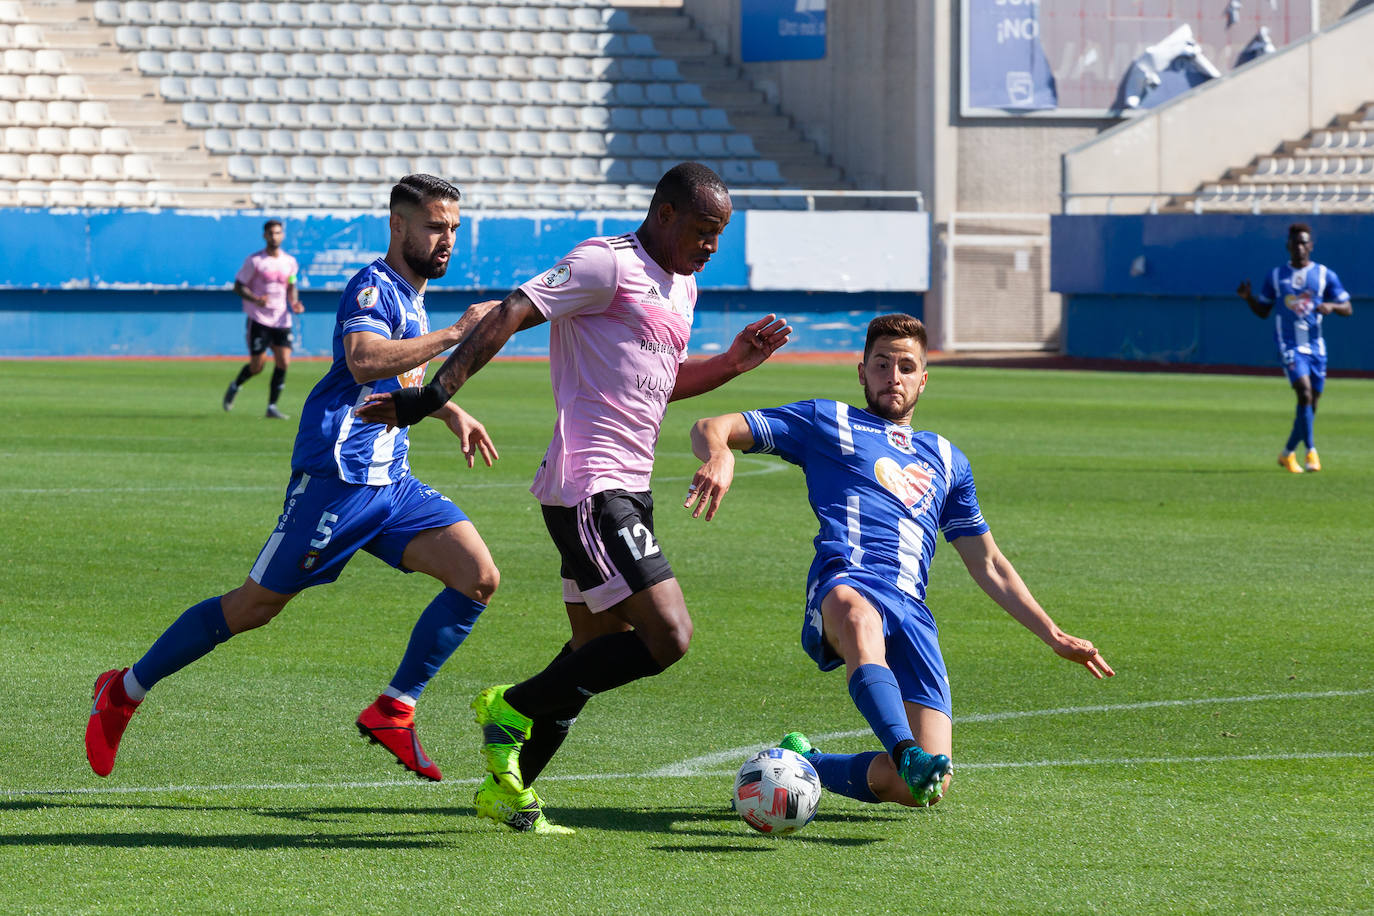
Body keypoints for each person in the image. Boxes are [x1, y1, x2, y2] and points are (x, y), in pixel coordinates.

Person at [354, 162, 792, 835]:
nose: (710, 246)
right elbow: (508, 314)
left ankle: (511, 787)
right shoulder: (603, 264)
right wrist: (433, 397)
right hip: (591, 487)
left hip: (629, 489)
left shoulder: (684, 285)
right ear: (666, 214)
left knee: (592, 652)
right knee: (668, 636)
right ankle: (511, 704)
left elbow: (656, 382)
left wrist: (732, 363)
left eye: (719, 235)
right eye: (703, 231)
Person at [87, 174, 504, 786]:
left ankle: (395, 707)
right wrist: (455, 335)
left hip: (392, 484)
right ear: (399, 226)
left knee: (478, 577)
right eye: (435, 227)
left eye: (454, 230)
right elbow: (364, 360)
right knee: (254, 606)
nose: (447, 241)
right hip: (337, 478)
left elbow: (395, 379)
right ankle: (124, 690)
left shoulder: (412, 298)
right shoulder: (372, 286)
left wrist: (449, 409)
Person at [684, 313, 1114, 809]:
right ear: (861, 371)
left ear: (923, 379)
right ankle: (906, 748)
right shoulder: (828, 421)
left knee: (922, 789)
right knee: (857, 615)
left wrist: (1053, 634)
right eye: (882, 363)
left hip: (911, 609)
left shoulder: (949, 460)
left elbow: (988, 562)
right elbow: (710, 425)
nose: (894, 376)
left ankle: (805, 762)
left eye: (906, 366)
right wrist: (719, 453)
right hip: (846, 579)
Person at [1237, 222, 1353, 473]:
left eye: (1304, 242)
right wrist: (1249, 300)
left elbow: (1348, 308)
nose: (1299, 247)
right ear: (1287, 246)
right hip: (1289, 344)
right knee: (1304, 393)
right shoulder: (1277, 276)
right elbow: (1263, 311)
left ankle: (1287, 453)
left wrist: (1331, 307)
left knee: (1311, 405)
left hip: (1316, 348)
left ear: (1311, 245)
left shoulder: (1324, 275)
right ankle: (1311, 452)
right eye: (1295, 243)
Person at [224, 219, 304, 419]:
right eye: (271, 233)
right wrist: (255, 299)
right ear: (265, 236)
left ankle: (272, 407)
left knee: (284, 362)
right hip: (259, 318)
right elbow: (238, 286)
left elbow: (291, 286)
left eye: (277, 233)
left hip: (281, 319)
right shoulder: (255, 261)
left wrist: (294, 302)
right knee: (257, 365)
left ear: (282, 235)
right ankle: (236, 385)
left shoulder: (290, 262)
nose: (274, 236)